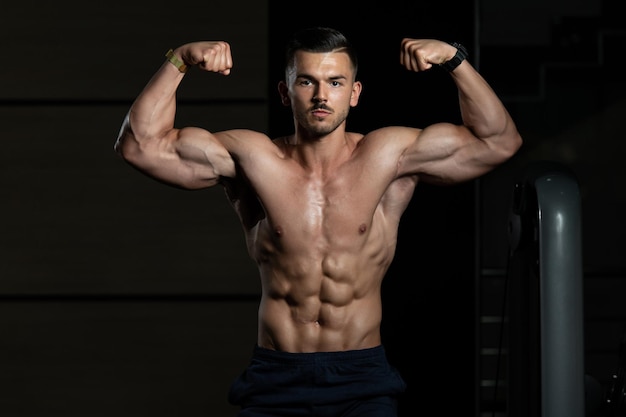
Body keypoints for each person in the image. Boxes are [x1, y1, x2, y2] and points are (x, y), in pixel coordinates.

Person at [114, 26, 522, 417]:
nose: (321, 95)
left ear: (355, 93)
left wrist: (455, 60)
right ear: (285, 92)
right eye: (306, 82)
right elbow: (139, 145)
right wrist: (180, 59)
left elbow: (499, 141)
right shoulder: (253, 159)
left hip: (361, 379)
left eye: (336, 82)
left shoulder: (388, 155)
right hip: (276, 377)